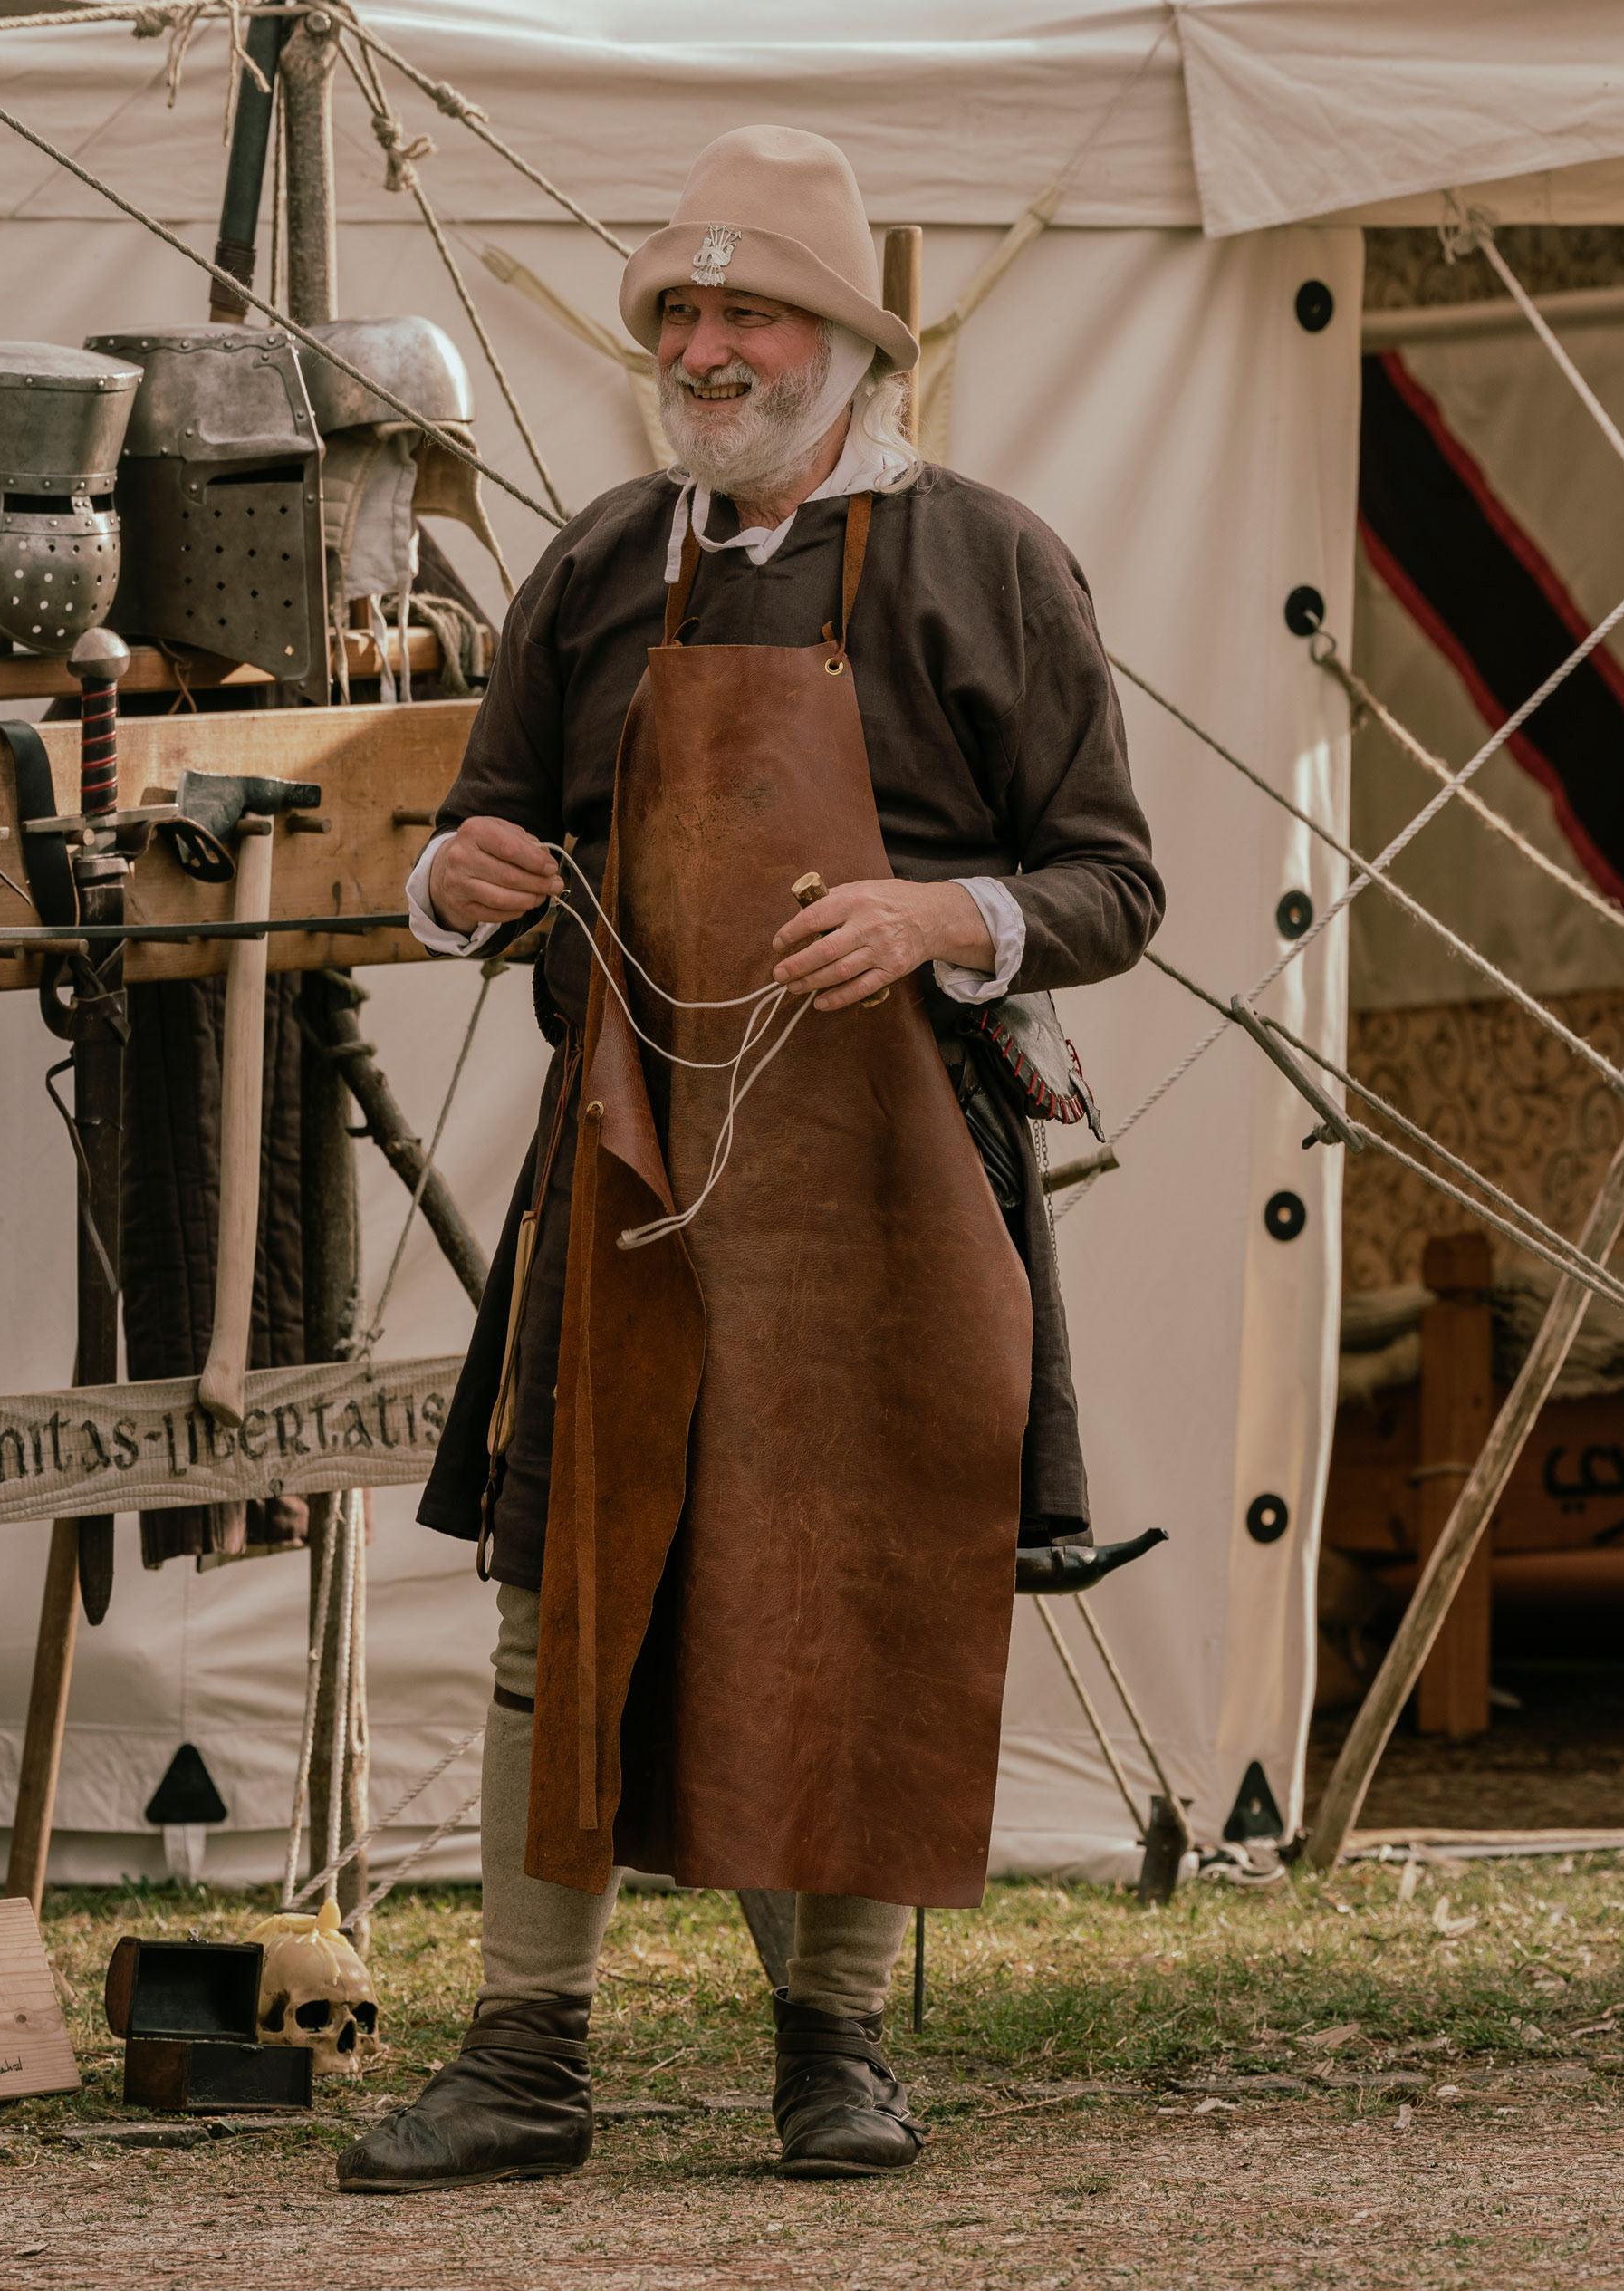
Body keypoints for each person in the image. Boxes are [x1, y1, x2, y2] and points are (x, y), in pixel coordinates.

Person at [337, 124, 1159, 2195]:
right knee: (566, 1587)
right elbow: (472, 828)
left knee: (847, 1591)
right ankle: (527, 2058)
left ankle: (837, 2055)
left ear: (845, 345)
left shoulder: (988, 562)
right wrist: (461, 872)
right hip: (628, 1156)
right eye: (680, 314)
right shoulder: (608, 561)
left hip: (891, 1169)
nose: (707, 348)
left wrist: (936, 918)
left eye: (749, 313)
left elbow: (1113, 883)